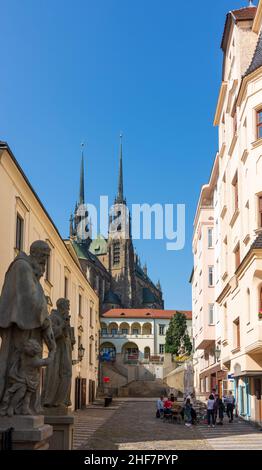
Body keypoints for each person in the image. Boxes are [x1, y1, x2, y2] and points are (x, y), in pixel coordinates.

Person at [0, 241, 56, 416]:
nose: (45, 263)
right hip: (22, 329)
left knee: (29, 373)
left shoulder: (31, 273)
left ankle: (25, 407)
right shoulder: (22, 267)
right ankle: (12, 408)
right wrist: (46, 322)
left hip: (31, 329)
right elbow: (31, 301)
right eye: (44, 257)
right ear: (36, 254)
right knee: (20, 371)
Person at [0, 339, 52, 417]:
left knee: (28, 395)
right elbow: (47, 361)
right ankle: (11, 407)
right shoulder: (28, 358)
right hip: (22, 378)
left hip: (31, 379)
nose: (25, 347)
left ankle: (25, 408)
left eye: (28, 346)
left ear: (33, 351)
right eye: (26, 346)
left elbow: (46, 362)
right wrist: (52, 352)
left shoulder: (33, 359)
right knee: (20, 393)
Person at [42, 298, 75, 408]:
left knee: (67, 373)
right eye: (68, 305)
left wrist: (71, 339)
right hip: (57, 351)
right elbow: (51, 334)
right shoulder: (53, 317)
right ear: (61, 306)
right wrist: (63, 326)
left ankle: (62, 400)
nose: (69, 308)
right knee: (55, 374)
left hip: (66, 350)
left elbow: (68, 337)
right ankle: (51, 400)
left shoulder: (64, 319)